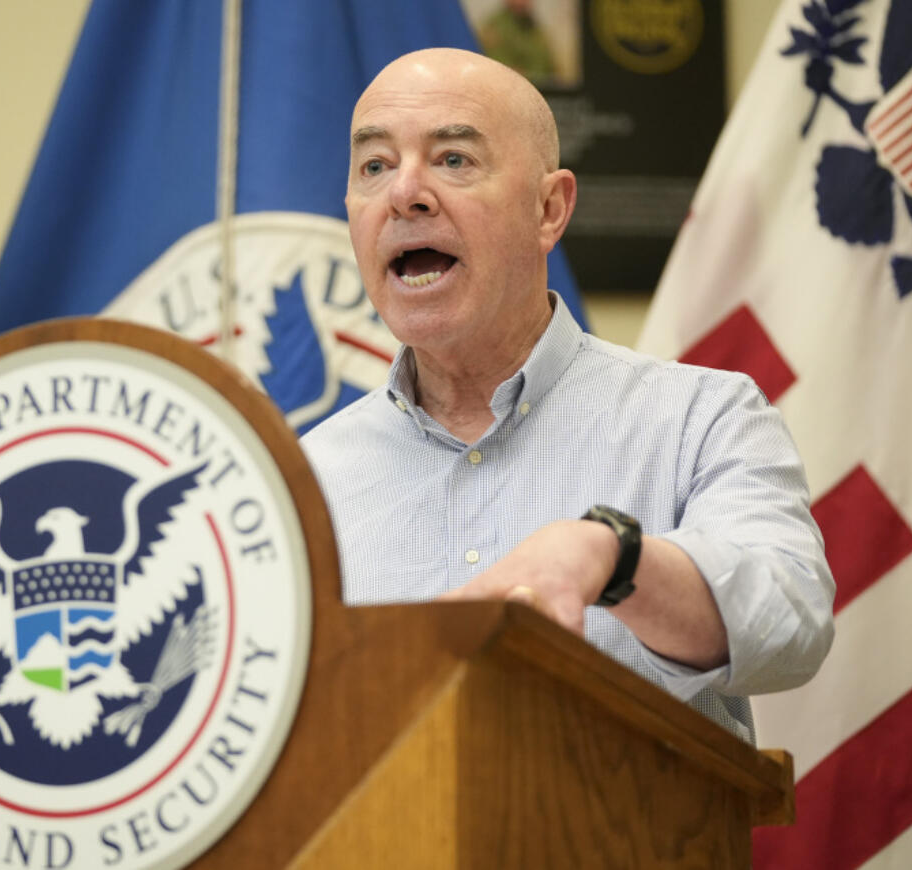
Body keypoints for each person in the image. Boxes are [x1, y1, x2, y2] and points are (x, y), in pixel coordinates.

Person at [301, 48, 834, 743]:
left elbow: (790, 619)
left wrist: (612, 556)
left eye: (454, 159)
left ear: (549, 208)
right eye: (374, 166)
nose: (405, 193)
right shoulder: (302, 481)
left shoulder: (703, 416)